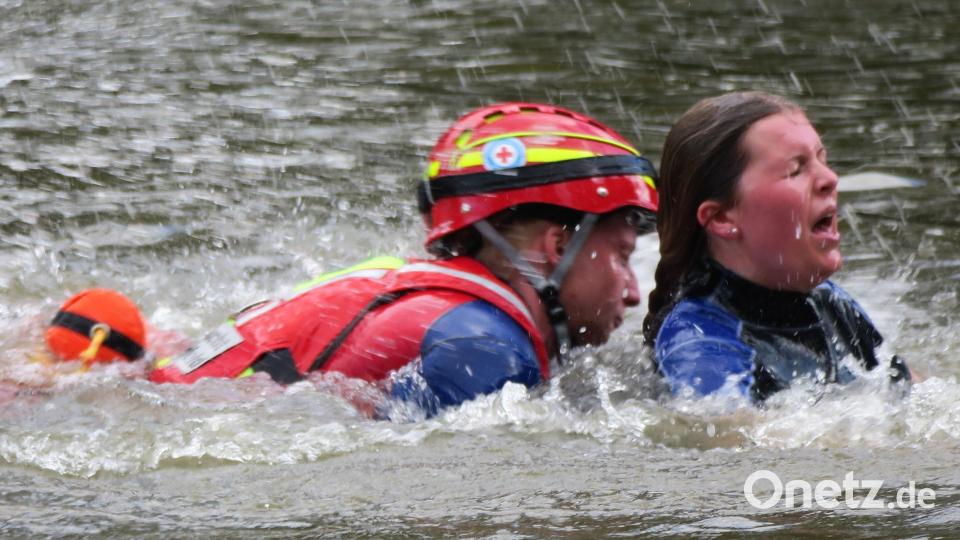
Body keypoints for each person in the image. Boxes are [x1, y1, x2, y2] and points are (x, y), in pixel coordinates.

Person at [149, 102, 659, 418]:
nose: (633, 291)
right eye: (622, 255)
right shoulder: (482, 350)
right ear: (557, 247)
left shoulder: (442, 301)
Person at [642, 91, 909, 403]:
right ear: (722, 218)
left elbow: (914, 394)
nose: (829, 178)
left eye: (822, 160)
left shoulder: (830, 303)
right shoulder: (699, 340)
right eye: (796, 169)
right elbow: (724, 437)